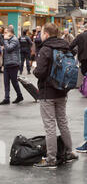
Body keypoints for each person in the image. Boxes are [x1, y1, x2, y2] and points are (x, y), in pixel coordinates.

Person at [33, 23, 77, 169]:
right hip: (62, 91)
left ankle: (51, 158)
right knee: (63, 122)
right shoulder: (65, 46)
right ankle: (70, 152)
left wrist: (34, 70)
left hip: (48, 92)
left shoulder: (45, 49)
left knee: (50, 125)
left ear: (45, 34)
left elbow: (39, 72)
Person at [0, 26, 23, 105]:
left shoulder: (14, 39)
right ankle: (7, 98)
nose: (4, 34)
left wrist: (5, 40)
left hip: (13, 63)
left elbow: (9, 48)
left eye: (6, 32)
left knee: (14, 82)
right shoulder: (9, 39)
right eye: (4, 32)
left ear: (11, 33)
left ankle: (19, 95)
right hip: (7, 63)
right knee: (6, 82)